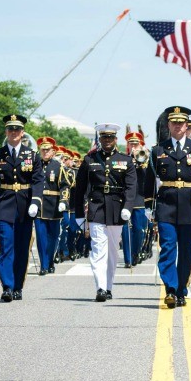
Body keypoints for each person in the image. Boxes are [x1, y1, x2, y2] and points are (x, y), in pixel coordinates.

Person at [144, 106, 191, 308]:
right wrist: (149, 205)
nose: (177, 126)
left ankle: (182, 289)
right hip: (166, 204)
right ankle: (171, 289)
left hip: (190, 205)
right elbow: (149, 180)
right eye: (173, 122)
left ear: (187, 125)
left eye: (181, 123)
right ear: (168, 125)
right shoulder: (158, 150)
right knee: (167, 247)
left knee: (186, 250)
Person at [0, 114, 44, 302]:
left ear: (22, 132)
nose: (14, 132)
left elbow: (38, 180)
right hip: (4, 205)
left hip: (25, 205)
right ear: (6, 132)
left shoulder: (32, 155)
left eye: (17, 129)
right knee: (6, 247)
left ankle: (18, 286)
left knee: (22, 248)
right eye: (10, 129)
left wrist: (36, 201)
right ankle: (7, 286)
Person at [74, 123, 136, 302]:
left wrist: (128, 207)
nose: (107, 141)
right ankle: (100, 287)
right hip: (96, 207)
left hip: (117, 209)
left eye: (110, 137)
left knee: (113, 252)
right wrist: (79, 213)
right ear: (99, 139)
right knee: (98, 249)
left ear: (115, 139)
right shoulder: (89, 159)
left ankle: (109, 286)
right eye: (104, 137)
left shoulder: (126, 160)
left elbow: (131, 187)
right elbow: (80, 189)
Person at [34, 137, 70, 276]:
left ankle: (50, 261)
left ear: (53, 152)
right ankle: (43, 264)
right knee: (41, 236)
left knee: (53, 236)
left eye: (47, 150)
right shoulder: (35, 165)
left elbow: (65, 185)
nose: (44, 152)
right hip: (38, 206)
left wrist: (63, 201)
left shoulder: (58, 166)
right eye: (42, 149)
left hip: (54, 206)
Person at [122, 131, 149, 268]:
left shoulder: (146, 158)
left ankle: (136, 252)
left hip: (140, 199)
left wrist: (141, 160)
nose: (133, 146)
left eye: (136, 143)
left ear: (141, 144)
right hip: (126, 198)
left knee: (139, 229)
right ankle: (128, 258)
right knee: (126, 229)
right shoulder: (122, 159)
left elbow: (148, 177)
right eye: (131, 143)